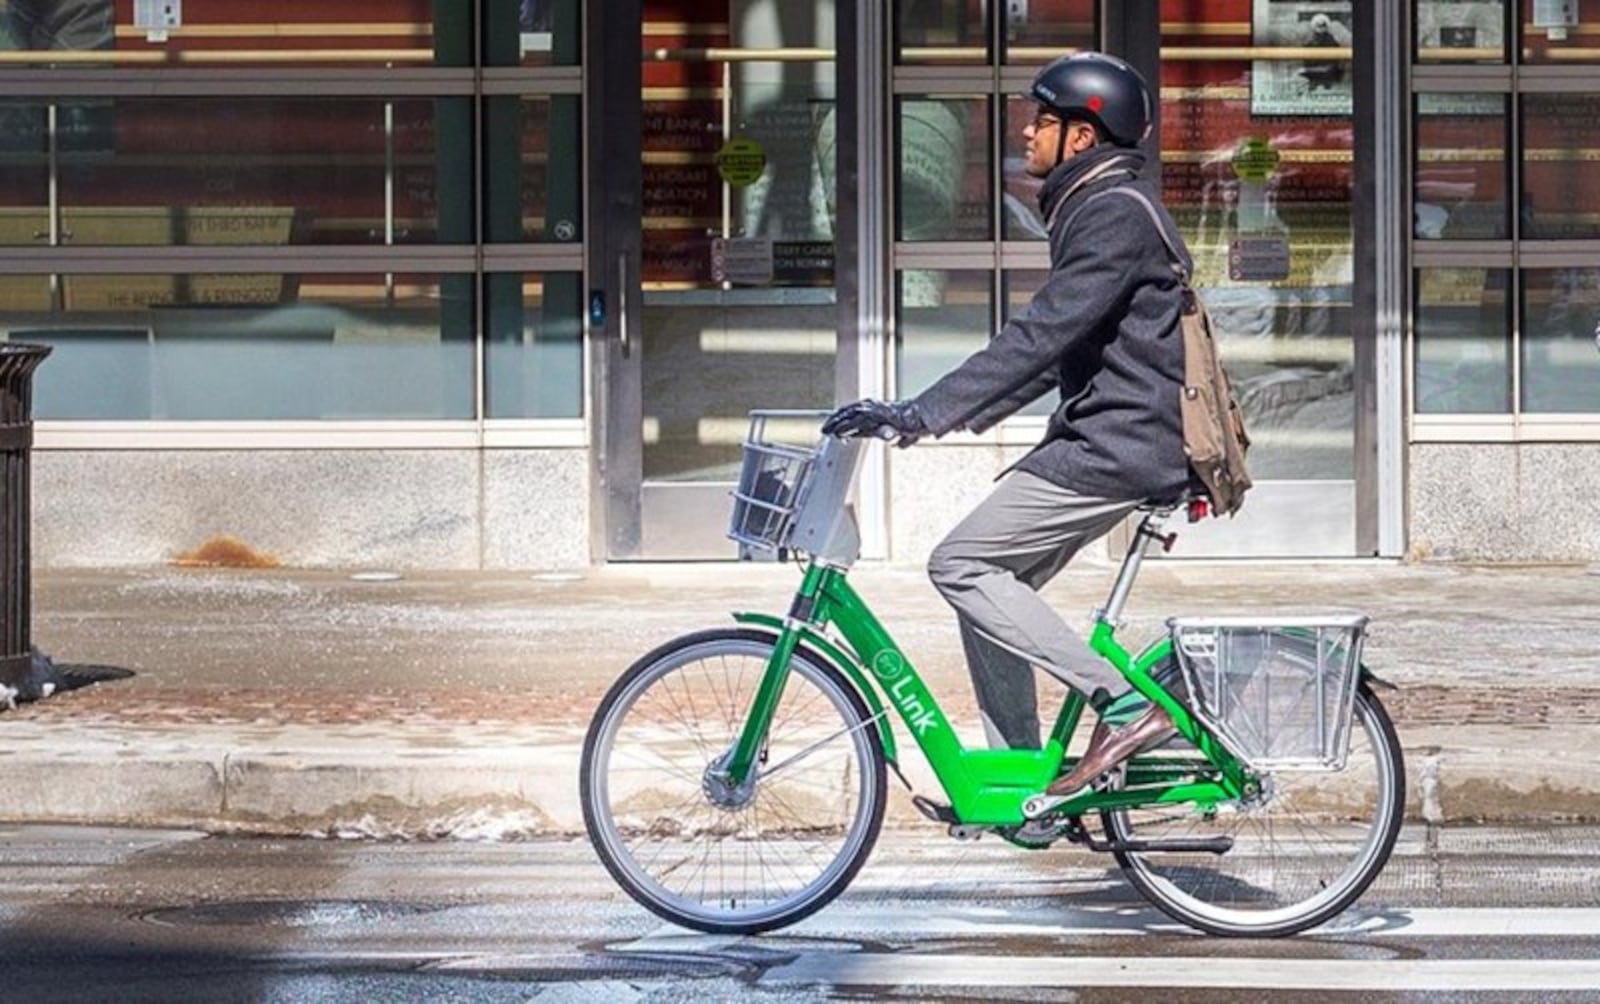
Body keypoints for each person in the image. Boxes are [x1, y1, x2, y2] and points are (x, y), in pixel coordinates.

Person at [823, 51, 1193, 811]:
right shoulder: (1097, 204)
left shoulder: (1114, 214)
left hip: (1117, 450)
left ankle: (1125, 706)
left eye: (1044, 121)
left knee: (961, 565)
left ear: (1083, 139)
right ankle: (1023, 780)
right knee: (993, 589)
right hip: (1103, 440)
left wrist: (921, 411)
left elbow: (1037, 335)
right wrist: (924, 421)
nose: (1027, 133)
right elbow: (1054, 351)